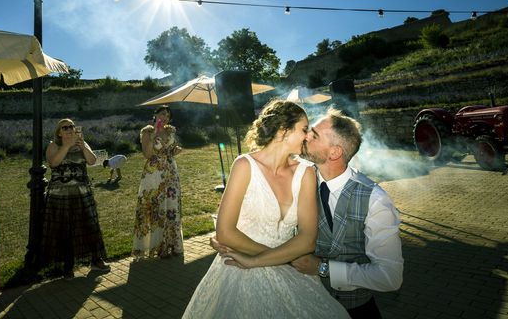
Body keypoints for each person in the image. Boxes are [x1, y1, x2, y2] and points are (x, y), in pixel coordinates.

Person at [183, 100, 349, 318]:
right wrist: (286, 258)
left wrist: (260, 260)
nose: (308, 136)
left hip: (282, 270)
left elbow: (308, 238)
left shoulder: (306, 172)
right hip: (238, 271)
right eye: (304, 129)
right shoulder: (244, 166)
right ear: (283, 131)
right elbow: (225, 232)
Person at [290, 108, 403, 318]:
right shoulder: (297, 180)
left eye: (313, 135)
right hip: (305, 302)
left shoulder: (375, 199)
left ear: (334, 152)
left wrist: (323, 269)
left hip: (355, 310)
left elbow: (390, 277)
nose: (305, 136)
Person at [41, 119, 110, 277]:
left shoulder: (82, 143)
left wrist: (82, 145)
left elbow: (92, 161)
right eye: (65, 127)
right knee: (64, 228)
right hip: (60, 194)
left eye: (71, 126)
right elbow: (54, 163)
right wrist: (66, 146)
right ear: (59, 132)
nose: (69, 129)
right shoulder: (54, 145)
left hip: (81, 191)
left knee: (89, 225)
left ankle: (96, 259)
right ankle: (68, 264)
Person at [132, 105, 184, 259]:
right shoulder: (146, 131)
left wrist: (177, 150)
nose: (165, 117)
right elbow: (147, 154)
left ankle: (171, 244)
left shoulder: (170, 131)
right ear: (155, 115)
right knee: (155, 207)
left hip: (171, 172)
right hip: (154, 174)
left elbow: (172, 148)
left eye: (168, 115)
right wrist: (154, 133)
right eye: (162, 113)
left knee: (171, 207)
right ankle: (157, 247)